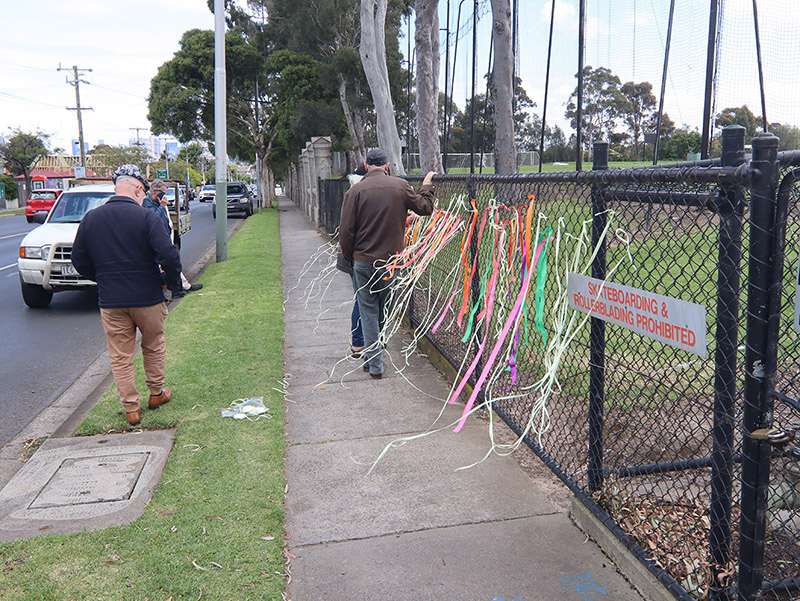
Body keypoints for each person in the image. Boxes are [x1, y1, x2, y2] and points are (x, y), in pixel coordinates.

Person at [71, 164, 183, 426]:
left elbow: (79, 259)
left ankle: (131, 409)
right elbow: (169, 255)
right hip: (148, 296)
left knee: (120, 355)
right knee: (153, 345)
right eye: (142, 193)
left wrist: (102, 278)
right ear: (138, 189)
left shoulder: (91, 219)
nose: (143, 197)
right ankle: (156, 393)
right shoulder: (147, 218)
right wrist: (170, 280)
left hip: (112, 301)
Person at [339, 148, 436, 379]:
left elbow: (346, 231)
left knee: (368, 311)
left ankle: (374, 363)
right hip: (391, 263)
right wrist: (427, 186)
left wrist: (350, 257)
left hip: (363, 261)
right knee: (384, 310)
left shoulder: (355, 191)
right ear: (387, 165)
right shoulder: (400, 186)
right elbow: (425, 207)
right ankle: (375, 356)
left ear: (365, 164)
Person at [142, 179, 202, 296]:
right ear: (156, 191)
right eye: (163, 192)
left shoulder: (156, 202)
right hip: (156, 240)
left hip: (165, 236)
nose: (164, 195)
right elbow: (153, 219)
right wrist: (162, 206)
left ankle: (181, 286)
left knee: (173, 263)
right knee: (167, 265)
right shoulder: (147, 203)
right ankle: (176, 289)